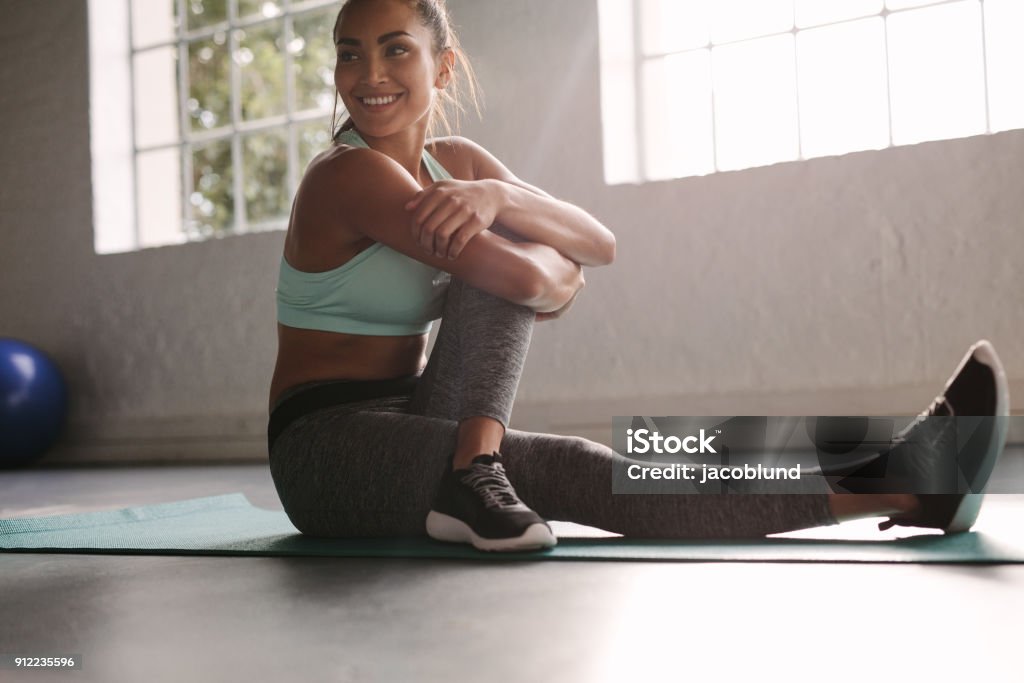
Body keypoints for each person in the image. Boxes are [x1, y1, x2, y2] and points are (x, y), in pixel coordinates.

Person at [267, 0, 1010, 551]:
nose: (368, 76)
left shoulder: (456, 166)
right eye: (349, 54)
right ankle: (905, 479)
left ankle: (902, 466)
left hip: (422, 410)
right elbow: (534, 278)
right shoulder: (348, 176)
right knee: (586, 466)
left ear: (443, 65)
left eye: (396, 50)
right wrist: (553, 273)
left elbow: (600, 239)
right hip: (326, 448)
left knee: (515, 288)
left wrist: (500, 198)